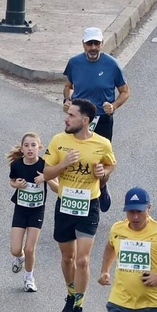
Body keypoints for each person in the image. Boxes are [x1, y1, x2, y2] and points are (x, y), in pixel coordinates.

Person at [40, 100, 117, 312]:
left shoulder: (101, 143)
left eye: (71, 115)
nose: (66, 118)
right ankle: (71, 294)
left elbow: (110, 166)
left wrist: (103, 173)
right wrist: (63, 164)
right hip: (65, 204)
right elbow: (45, 173)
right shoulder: (58, 141)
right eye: (67, 114)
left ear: (85, 121)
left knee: (83, 260)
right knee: (68, 259)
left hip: (88, 205)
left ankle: (78, 308)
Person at [62, 27, 127, 209]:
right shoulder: (74, 63)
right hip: (78, 118)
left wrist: (113, 106)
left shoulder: (112, 64)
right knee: (77, 155)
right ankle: (79, 193)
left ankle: (102, 186)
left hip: (102, 119)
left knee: (101, 159)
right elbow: (68, 86)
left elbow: (125, 91)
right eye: (89, 43)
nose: (93, 48)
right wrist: (67, 99)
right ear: (83, 44)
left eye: (96, 44)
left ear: (101, 44)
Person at [6, 132, 46, 291]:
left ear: (40, 148)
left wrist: (45, 177)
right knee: (16, 249)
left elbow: (54, 181)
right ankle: (20, 258)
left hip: (37, 210)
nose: (30, 148)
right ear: (22, 149)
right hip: (21, 209)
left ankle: (29, 278)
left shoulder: (44, 165)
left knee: (30, 248)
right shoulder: (16, 165)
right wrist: (16, 184)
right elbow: (12, 180)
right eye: (27, 145)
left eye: (33, 145)